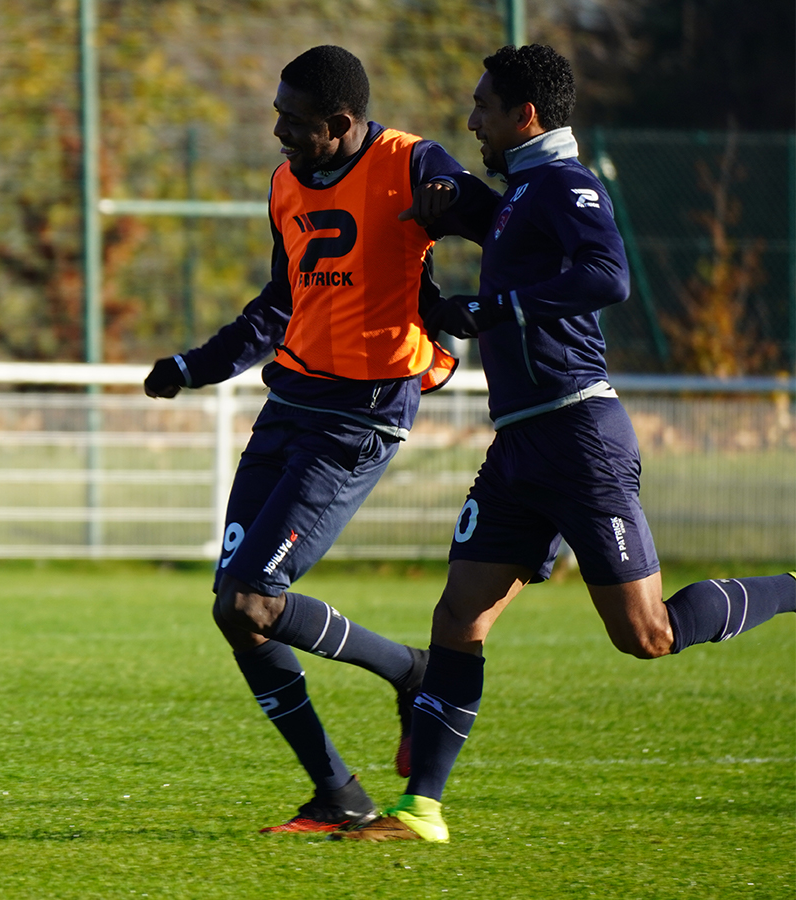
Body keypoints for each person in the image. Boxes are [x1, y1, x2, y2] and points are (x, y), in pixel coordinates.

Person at [335, 43, 796, 844]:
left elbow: (606, 276)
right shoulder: (522, 195)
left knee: (645, 637)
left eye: (483, 105)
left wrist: (499, 310)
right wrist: (456, 229)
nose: (472, 118)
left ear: (526, 116)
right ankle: (421, 812)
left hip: (579, 436)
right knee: (458, 619)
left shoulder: (567, 184)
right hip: (519, 445)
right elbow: (510, 248)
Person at [143, 45, 490, 833]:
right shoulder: (285, 184)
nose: (277, 133)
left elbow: (505, 227)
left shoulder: (411, 165)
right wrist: (195, 366)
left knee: (255, 599)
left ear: (339, 123)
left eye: (292, 122)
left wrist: (463, 306)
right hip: (290, 402)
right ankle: (339, 792)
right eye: (276, 115)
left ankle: (412, 672)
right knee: (234, 611)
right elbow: (279, 303)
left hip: (361, 414)